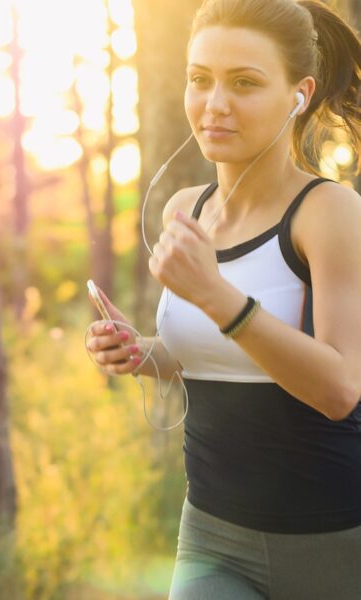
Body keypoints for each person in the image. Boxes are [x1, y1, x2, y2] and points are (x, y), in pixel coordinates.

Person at [86, 0, 361, 597]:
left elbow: (340, 389)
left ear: (300, 94)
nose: (214, 104)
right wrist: (141, 352)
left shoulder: (330, 214)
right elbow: (209, 353)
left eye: (244, 83)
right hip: (212, 536)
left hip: (334, 542)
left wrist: (215, 295)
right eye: (199, 79)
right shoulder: (186, 208)